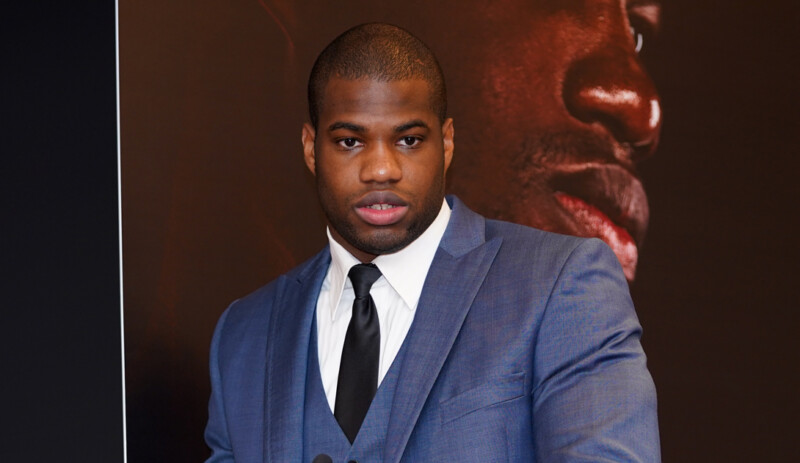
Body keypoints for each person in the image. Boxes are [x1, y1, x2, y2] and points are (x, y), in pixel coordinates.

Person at [204, 23, 659, 463]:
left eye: (408, 140)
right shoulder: (244, 335)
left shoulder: (562, 285)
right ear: (310, 148)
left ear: (446, 143)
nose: (381, 169)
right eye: (349, 141)